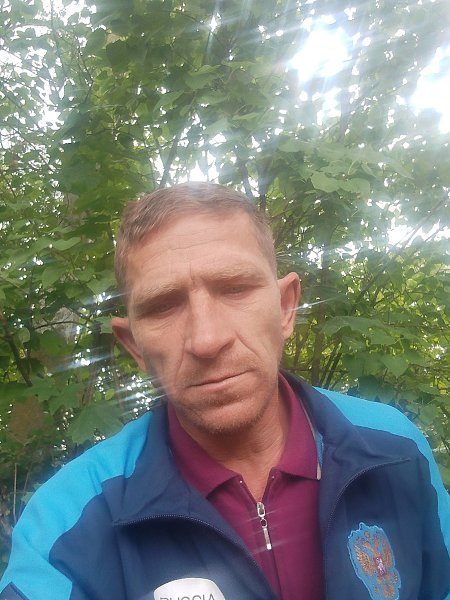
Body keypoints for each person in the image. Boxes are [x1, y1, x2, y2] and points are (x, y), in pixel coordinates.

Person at [1, 182, 449, 600]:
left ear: (286, 308)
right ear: (134, 346)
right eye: (163, 306)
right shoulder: (65, 525)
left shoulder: (394, 448)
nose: (207, 339)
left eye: (235, 289)